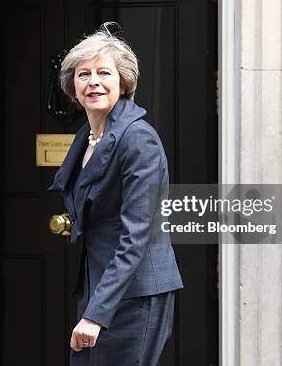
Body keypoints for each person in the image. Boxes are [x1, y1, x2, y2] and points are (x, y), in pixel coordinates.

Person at [48, 22, 184, 365]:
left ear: (123, 83)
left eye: (103, 72)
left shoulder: (138, 138)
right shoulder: (88, 136)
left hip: (134, 294)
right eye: (83, 74)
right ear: (72, 87)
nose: (93, 81)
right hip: (100, 288)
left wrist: (97, 314)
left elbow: (137, 234)